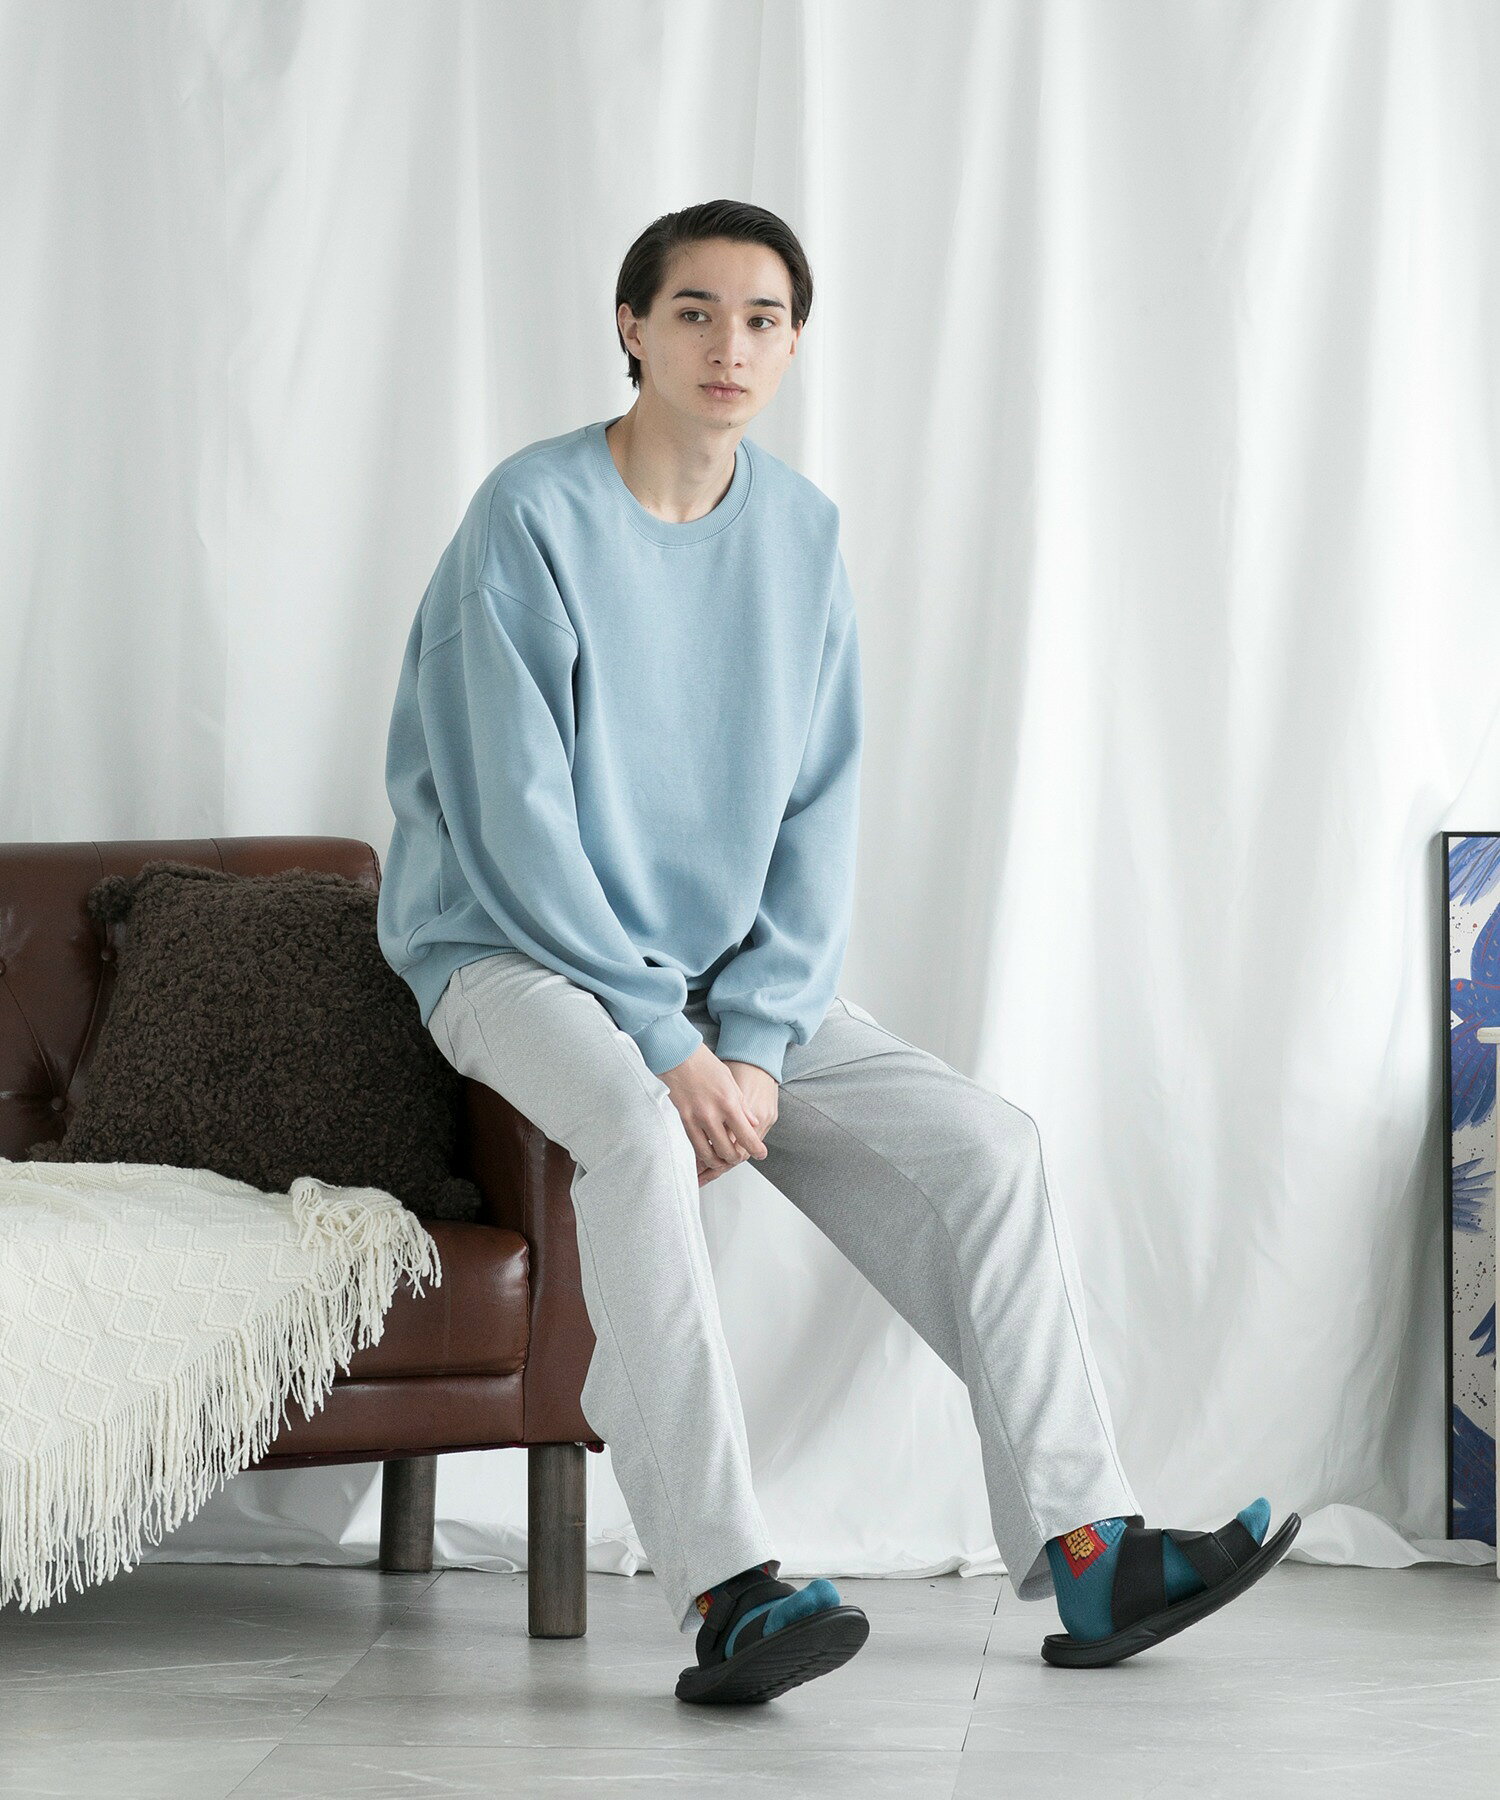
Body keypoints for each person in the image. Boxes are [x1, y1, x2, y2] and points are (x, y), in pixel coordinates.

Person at [376, 198, 1300, 1705]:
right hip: (507, 952)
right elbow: (510, 823)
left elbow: (816, 812)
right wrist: (664, 1044)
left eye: (763, 318)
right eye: (693, 311)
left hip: (715, 982)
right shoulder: (527, 516)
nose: (728, 345)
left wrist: (751, 1038)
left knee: (988, 1148)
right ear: (631, 328)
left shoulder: (801, 536)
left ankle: (1091, 1548)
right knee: (637, 1131)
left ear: (795, 344)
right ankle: (729, 1586)